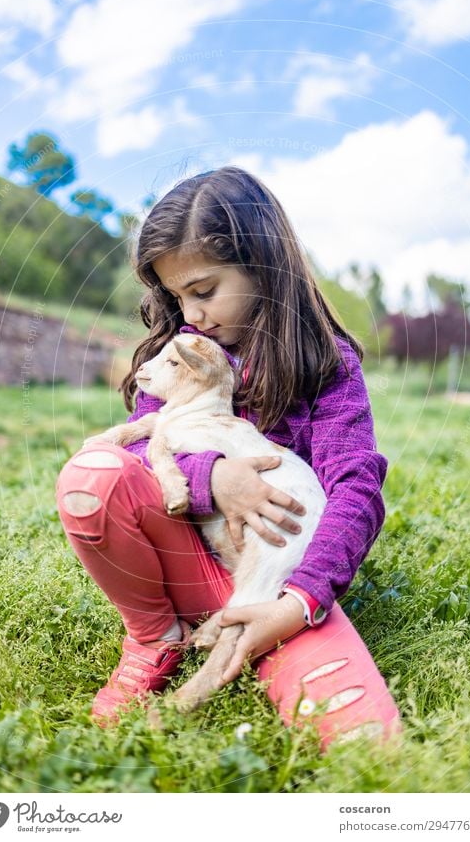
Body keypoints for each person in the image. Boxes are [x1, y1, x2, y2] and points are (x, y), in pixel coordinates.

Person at [56, 165, 401, 749]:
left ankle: (256, 633)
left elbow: (356, 488)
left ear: (263, 265)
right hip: (185, 553)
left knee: (359, 732)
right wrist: (213, 479)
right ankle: (155, 633)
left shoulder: (329, 364)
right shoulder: (185, 351)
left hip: (276, 580)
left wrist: (299, 604)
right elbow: (143, 442)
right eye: (175, 296)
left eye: (204, 291)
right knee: (92, 477)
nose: (190, 314)